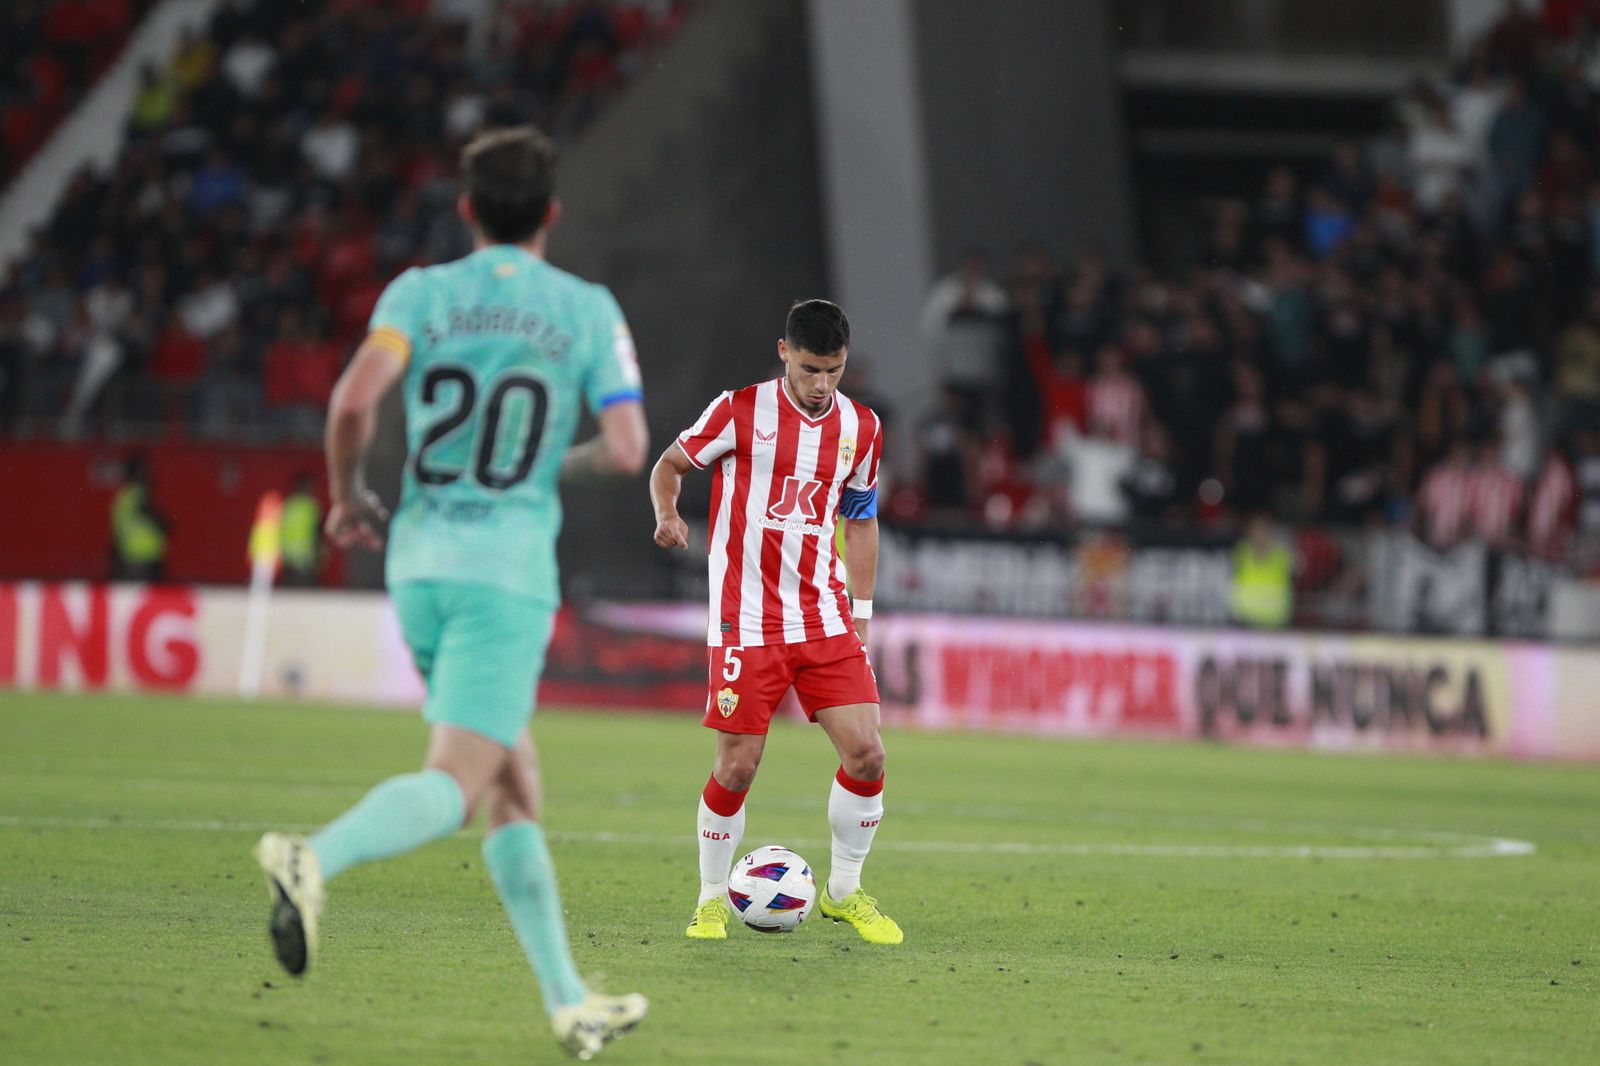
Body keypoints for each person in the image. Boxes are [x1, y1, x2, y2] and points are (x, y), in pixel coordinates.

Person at [253, 126, 650, 1060]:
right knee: (459, 786)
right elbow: (630, 449)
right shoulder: (587, 309)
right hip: (503, 578)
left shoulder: (418, 294)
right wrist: (555, 463)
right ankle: (315, 858)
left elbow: (353, 402)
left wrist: (349, 497)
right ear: (552, 212)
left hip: (420, 564)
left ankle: (568, 1004)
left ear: (467, 209)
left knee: (516, 780)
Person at [649, 299, 903, 946]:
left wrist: (863, 612)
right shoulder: (739, 409)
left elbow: (862, 518)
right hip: (747, 619)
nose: (823, 386)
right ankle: (710, 899)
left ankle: (844, 892)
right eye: (812, 369)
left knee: (868, 754)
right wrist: (669, 514)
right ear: (784, 352)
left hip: (823, 615)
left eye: (836, 371)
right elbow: (669, 465)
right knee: (738, 766)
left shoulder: (862, 427)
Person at [109, 455, 169, 581]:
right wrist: (164, 524)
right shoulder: (138, 495)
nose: (149, 475)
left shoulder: (123, 496)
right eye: (145, 471)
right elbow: (153, 518)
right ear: (138, 472)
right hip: (142, 560)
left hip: (128, 558)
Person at [278, 470, 322, 586]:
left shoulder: (288, 505)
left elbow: (280, 530)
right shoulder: (311, 506)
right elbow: (318, 533)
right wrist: (320, 554)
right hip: (305, 559)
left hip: (288, 557)